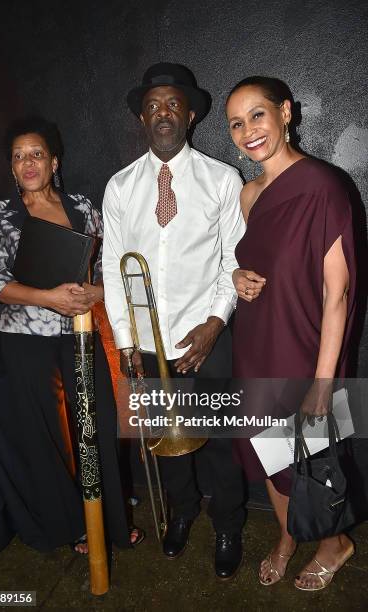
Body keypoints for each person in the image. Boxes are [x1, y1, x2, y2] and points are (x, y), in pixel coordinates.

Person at [102, 63, 250, 579]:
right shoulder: (119, 188)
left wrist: (214, 323)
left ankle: (228, 523)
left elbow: (235, 258)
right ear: (142, 120)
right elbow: (113, 266)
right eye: (152, 107)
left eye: (171, 105)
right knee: (168, 445)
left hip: (207, 334)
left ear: (188, 116)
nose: (162, 113)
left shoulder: (222, 179)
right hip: (147, 343)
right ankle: (182, 512)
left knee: (220, 445)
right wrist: (126, 342)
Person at [0, 116, 142, 555]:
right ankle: (73, 527)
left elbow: (109, 264)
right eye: (18, 157)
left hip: (80, 331)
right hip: (24, 337)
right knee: (48, 433)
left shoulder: (83, 207)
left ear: (54, 162)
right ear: (12, 168)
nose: (28, 163)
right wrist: (48, 298)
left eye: (36, 154)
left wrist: (95, 292)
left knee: (98, 421)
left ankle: (109, 521)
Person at [226, 76, 356, 591]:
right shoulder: (249, 192)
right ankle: (286, 535)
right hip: (255, 344)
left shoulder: (324, 185)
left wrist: (323, 383)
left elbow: (337, 294)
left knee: (310, 456)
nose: (248, 130)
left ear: (285, 113)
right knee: (265, 450)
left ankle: (333, 543)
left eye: (257, 115)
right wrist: (236, 277)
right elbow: (254, 261)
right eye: (237, 123)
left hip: (304, 347)